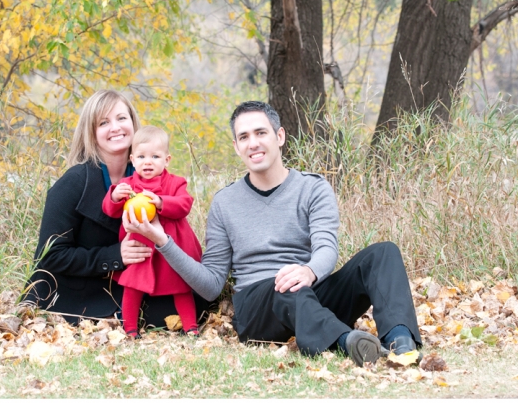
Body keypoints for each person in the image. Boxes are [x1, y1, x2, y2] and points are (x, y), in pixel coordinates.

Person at [123, 101, 422, 366]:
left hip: (310, 293)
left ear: (279, 137)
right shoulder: (225, 202)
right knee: (287, 289)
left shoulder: (313, 188)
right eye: (244, 137)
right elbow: (211, 285)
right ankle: (346, 342)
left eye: (260, 133)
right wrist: (162, 240)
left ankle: (399, 341)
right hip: (258, 308)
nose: (253, 143)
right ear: (237, 147)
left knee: (383, 252)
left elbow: (326, 248)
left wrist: (308, 271)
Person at [21, 90, 209, 327]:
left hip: (134, 282)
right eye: (104, 122)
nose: (116, 127)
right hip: (77, 290)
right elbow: (49, 255)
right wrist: (114, 256)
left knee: (197, 302)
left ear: (133, 123)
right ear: (92, 133)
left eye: (122, 118)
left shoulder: (151, 175)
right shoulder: (74, 181)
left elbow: (179, 212)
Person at [102, 126, 202, 338]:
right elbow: (109, 211)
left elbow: (185, 204)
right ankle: (130, 328)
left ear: (166, 160)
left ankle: (191, 327)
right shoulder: (127, 185)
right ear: (133, 160)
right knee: (132, 287)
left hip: (171, 248)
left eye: (155, 156)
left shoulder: (175, 183)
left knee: (181, 287)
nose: (148, 162)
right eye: (141, 156)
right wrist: (114, 196)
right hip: (140, 248)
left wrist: (161, 201)